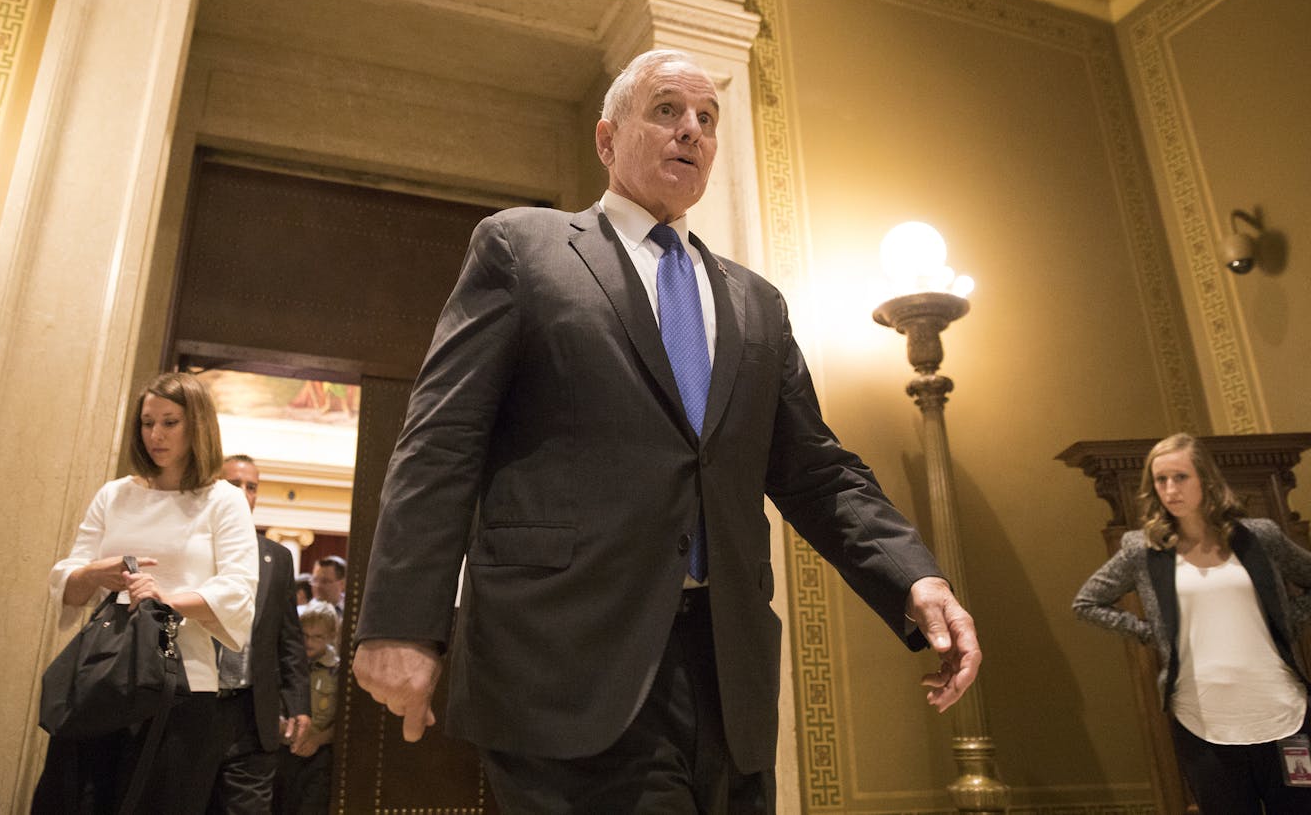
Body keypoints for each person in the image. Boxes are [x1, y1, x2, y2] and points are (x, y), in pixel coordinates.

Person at [351, 48, 981, 812]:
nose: (692, 130)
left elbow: (817, 469)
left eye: (707, 119)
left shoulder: (757, 304)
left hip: (728, 673)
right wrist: (402, 622)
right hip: (565, 664)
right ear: (607, 138)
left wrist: (914, 575)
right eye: (667, 111)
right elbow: (441, 438)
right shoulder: (525, 249)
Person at [32, 372, 259, 813]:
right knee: (77, 800)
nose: (155, 434)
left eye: (170, 422)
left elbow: (237, 589)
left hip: (183, 682)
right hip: (105, 675)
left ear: (198, 425)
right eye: (147, 422)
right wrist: (99, 571)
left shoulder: (222, 500)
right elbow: (68, 580)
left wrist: (161, 602)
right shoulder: (115, 494)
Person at [1073, 432, 1311, 814]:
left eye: (1180, 477)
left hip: (1283, 712)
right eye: (1160, 480)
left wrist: (1289, 621)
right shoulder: (1143, 549)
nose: (1170, 489)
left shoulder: (1259, 536)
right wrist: (1153, 633)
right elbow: (1086, 602)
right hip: (1202, 721)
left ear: (1206, 479)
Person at [208, 454, 312, 814]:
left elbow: (290, 639)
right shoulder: (197, 549)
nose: (243, 492)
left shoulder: (278, 557)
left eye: (251, 487)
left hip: (254, 714)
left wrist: (298, 704)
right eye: (234, 483)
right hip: (197, 709)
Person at [273, 600, 341, 814]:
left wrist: (317, 740)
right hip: (283, 748)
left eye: (317, 636)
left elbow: (345, 719)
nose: (309, 642)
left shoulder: (338, 671)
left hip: (319, 753)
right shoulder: (286, 664)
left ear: (331, 636)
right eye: (304, 635)